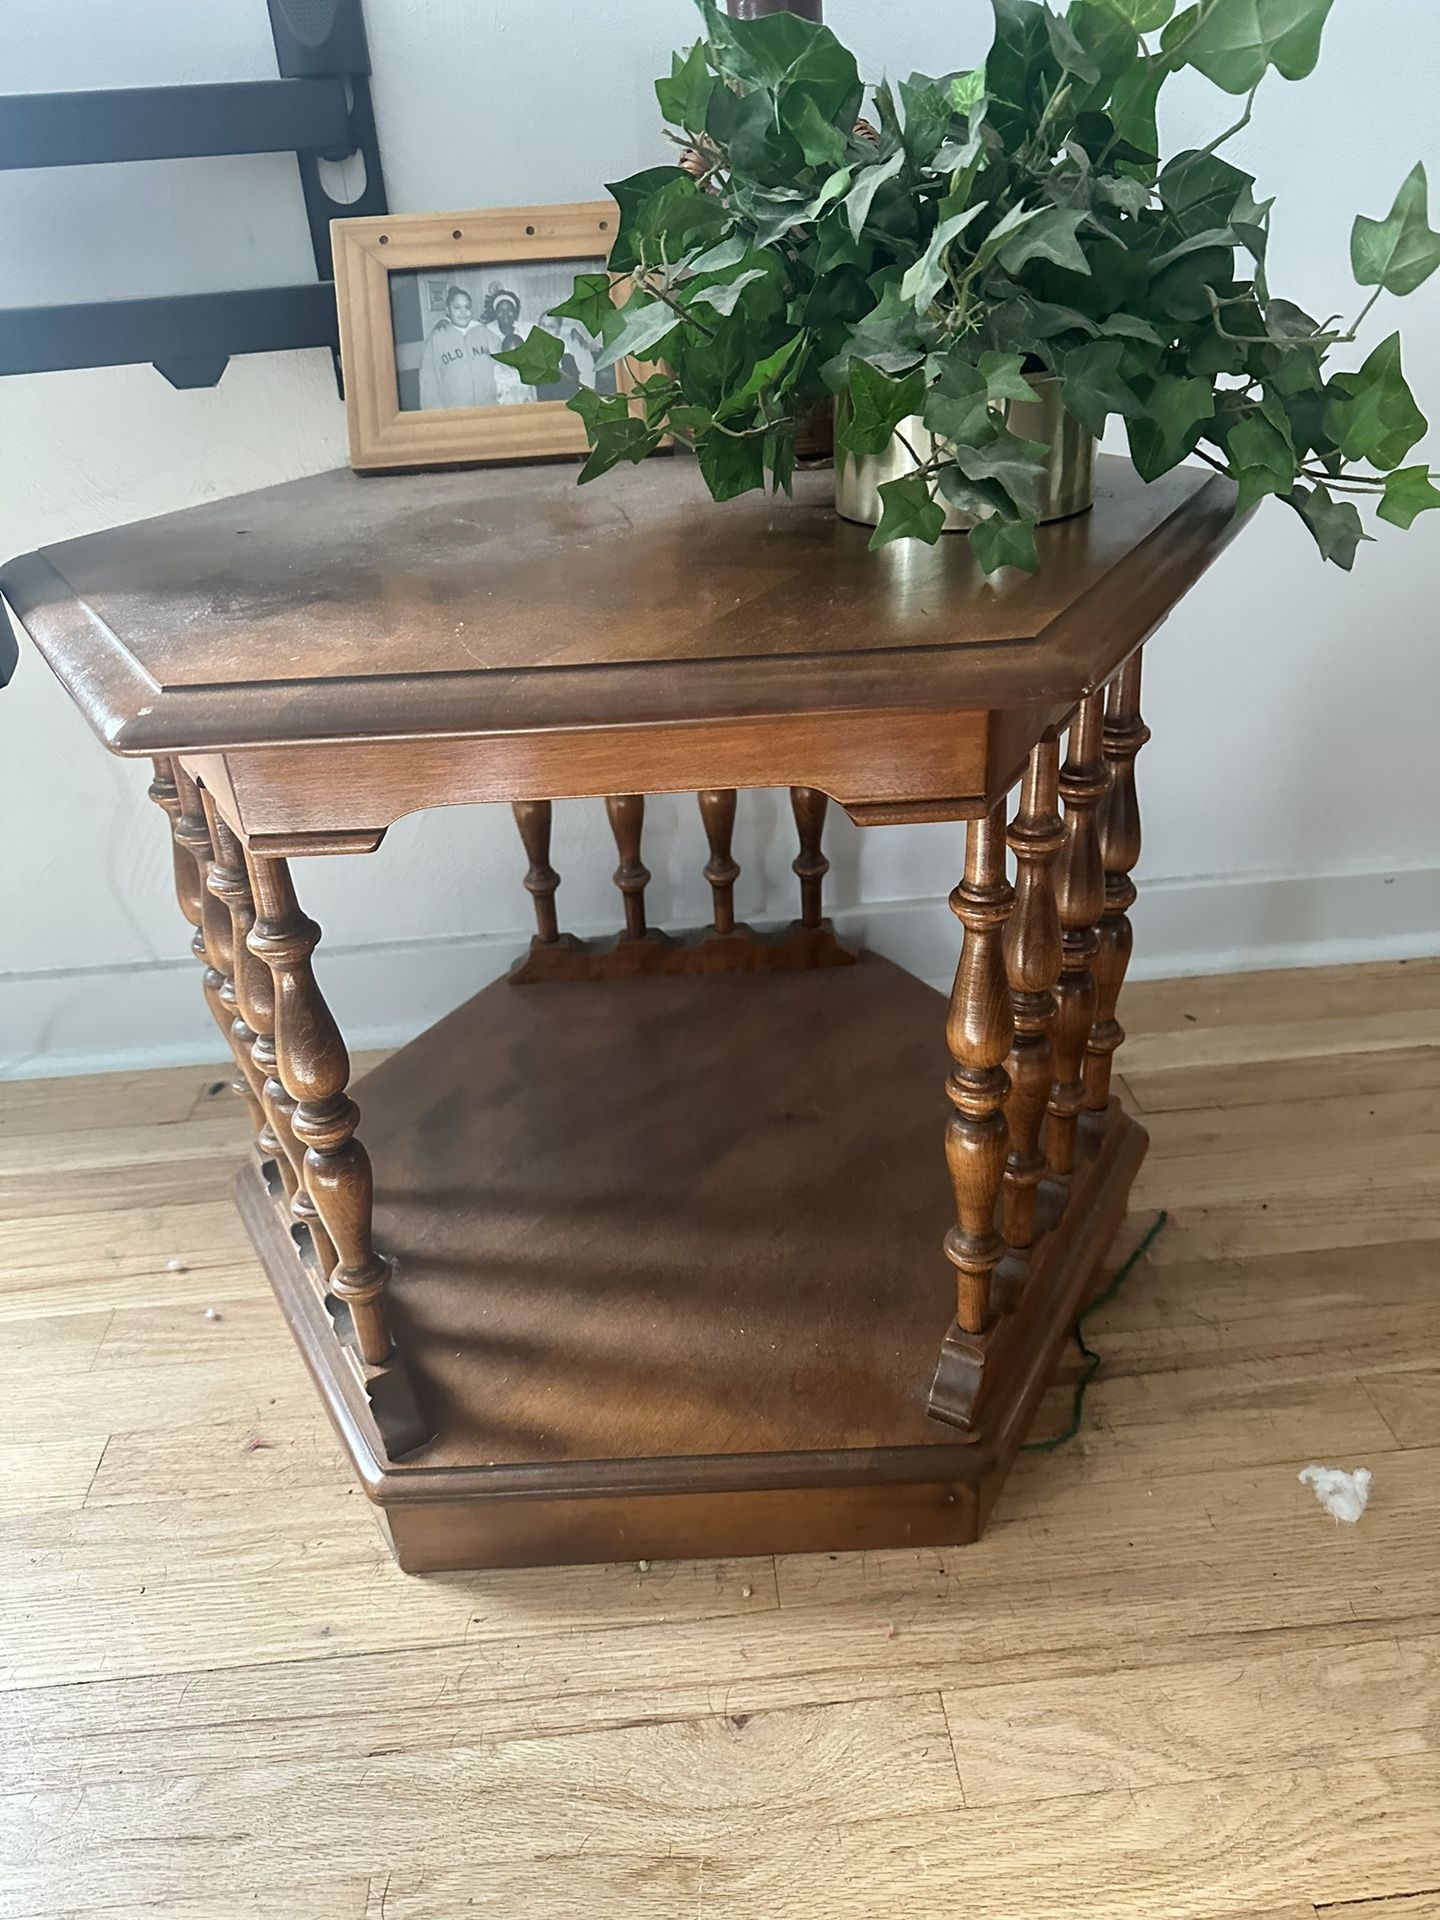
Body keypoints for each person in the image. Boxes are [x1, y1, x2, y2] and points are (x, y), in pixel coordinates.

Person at [417, 286, 497, 411]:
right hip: (455, 410)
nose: (464, 312)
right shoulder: (437, 337)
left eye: (467, 307)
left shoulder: (483, 332)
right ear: (447, 310)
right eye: (457, 307)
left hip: (488, 407)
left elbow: (505, 359)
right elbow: (428, 380)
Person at [484, 284, 534, 405]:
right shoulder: (486, 331)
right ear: (495, 313)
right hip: (499, 386)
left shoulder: (527, 330)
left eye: (509, 309)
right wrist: (444, 322)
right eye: (500, 310)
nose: (505, 313)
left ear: (515, 311)